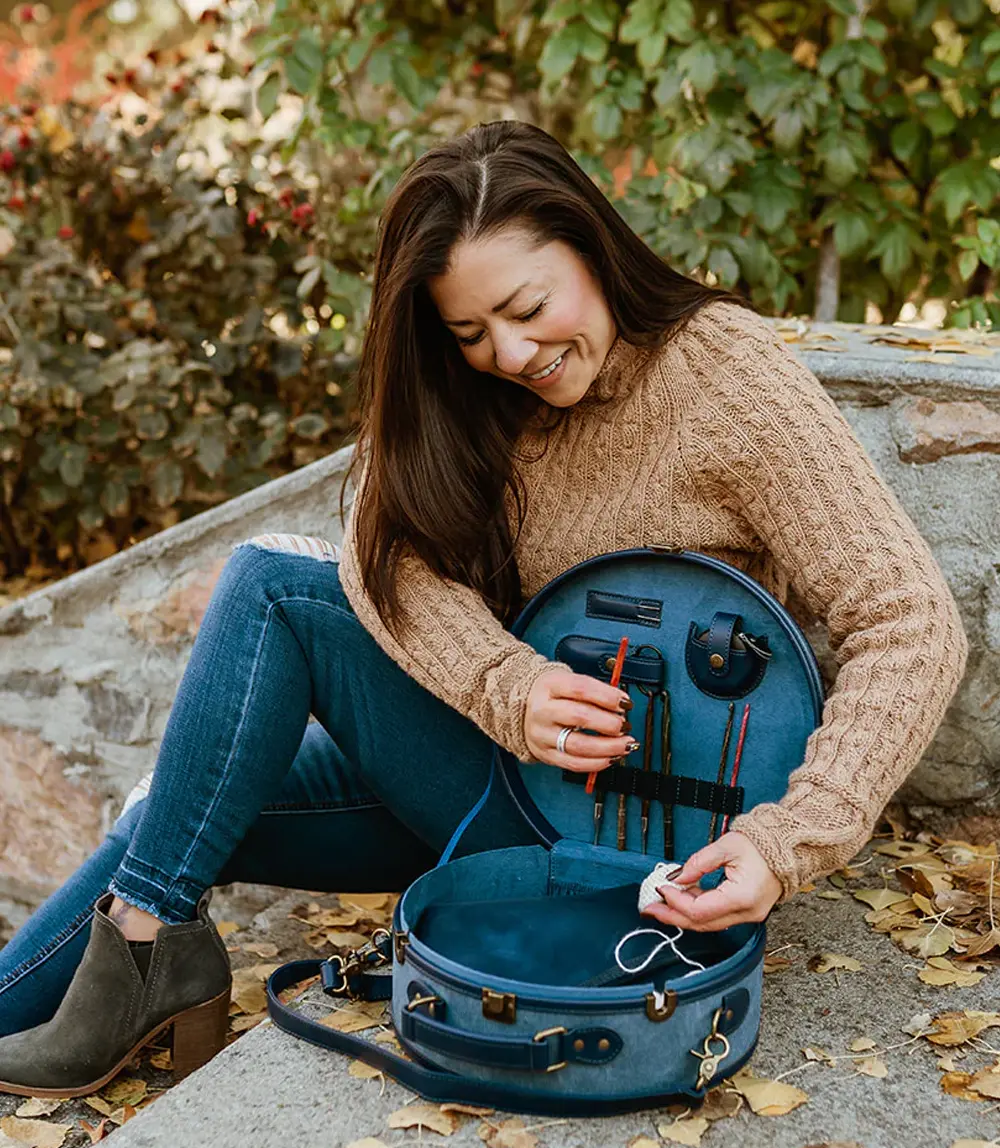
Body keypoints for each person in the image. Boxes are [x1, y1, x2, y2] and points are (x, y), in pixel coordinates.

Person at [0, 121, 967, 1097]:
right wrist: (507, 683)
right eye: (469, 332)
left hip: (653, 841)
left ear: (588, 242)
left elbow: (908, 619)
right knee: (170, 824)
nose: (509, 352)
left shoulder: (722, 372)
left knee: (271, 588)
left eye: (526, 306)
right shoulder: (463, 392)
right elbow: (392, 564)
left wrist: (783, 844)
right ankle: (132, 955)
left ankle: (150, 952)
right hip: (492, 786)